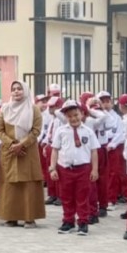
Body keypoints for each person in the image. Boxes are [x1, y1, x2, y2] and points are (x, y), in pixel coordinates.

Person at [0, 81, 46, 228]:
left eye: (19, 89)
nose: (16, 91)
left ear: (25, 91)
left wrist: (21, 144)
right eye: (14, 89)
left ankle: (29, 218)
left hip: (27, 151)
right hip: (10, 151)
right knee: (10, 183)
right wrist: (12, 144)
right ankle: (10, 217)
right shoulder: (4, 109)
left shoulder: (33, 109)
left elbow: (36, 131)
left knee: (28, 182)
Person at [50, 100, 99, 236]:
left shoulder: (88, 131)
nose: (73, 118)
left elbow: (94, 151)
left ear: (82, 114)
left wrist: (95, 169)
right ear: (66, 117)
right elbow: (55, 150)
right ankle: (68, 221)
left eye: (76, 114)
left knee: (82, 196)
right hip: (65, 169)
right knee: (66, 196)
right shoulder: (61, 131)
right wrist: (52, 168)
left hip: (83, 169)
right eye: (70, 116)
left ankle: (83, 222)